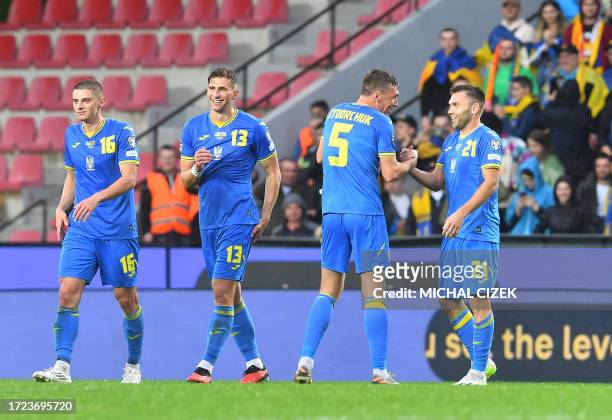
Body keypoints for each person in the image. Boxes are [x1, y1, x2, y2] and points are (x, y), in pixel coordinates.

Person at [293, 69, 417, 385]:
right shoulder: (381, 122)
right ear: (377, 95)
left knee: (327, 291)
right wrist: (410, 162)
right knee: (374, 294)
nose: (395, 103)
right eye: (393, 97)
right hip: (366, 216)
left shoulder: (335, 113)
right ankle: (379, 370)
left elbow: (320, 157)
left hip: (333, 214)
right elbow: (390, 174)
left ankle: (305, 361)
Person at [32, 80, 143, 383]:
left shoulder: (121, 131)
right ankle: (61, 366)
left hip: (117, 230)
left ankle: (133, 366)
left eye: (85, 100)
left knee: (126, 300)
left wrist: (95, 199)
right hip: (82, 229)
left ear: (101, 101)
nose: (79, 106)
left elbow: (130, 179)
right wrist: (60, 207)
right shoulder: (72, 134)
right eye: (75, 101)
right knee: (67, 292)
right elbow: (72, 177)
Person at [180, 68, 281, 384]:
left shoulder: (253, 127)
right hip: (209, 222)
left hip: (239, 218)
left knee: (221, 290)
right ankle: (255, 364)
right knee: (233, 296)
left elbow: (273, 171)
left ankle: (205, 366)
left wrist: (266, 214)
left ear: (235, 93)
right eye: (212, 88)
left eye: (222, 89)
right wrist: (197, 168)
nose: (216, 94)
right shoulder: (193, 128)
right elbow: (185, 181)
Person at [408, 84, 500, 385]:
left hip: (478, 230)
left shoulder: (488, 139)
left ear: (475, 108)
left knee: (479, 299)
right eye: (449, 104)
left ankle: (478, 372)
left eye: (455, 104)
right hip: (454, 231)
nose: (449, 110)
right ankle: (483, 360)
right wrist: (411, 169)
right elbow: (437, 181)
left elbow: (491, 183)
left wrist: (460, 213)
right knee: (448, 299)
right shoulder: (449, 142)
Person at [140, 145, 199, 246]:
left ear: (176, 159)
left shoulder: (186, 178)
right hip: (158, 235)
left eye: (170, 157)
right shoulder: (150, 179)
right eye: (164, 157)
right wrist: (146, 231)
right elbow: (144, 208)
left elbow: (195, 205)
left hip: (184, 234)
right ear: (159, 159)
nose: (167, 161)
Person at [419, 28, 481, 122]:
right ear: (440, 42)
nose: (448, 43)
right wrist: (425, 116)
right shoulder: (433, 62)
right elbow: (426, 89)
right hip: (438, 113)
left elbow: (475, 85)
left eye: (451, 39)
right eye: (444, 39)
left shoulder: (467, 61)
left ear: (457, 40)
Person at [540, 79, 594, 182]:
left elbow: (542, 120)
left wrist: (552, 101)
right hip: (579, 157)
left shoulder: (552, 110)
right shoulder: (584, 111)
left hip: (557, 155)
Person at [544, 44, 609, 116]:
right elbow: (546, 101)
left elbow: (594, 105)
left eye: (567, 56)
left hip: (585, 118)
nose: (563, 60)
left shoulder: (590, 76)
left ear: (576, 58)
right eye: (560, 57)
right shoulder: (554, 77)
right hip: (560, 118)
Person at [255, 158, 318, 229]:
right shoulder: (268, 188)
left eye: (294, 171)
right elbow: (256, 195)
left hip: (296, 232)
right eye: (287, 171)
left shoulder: (306, 190)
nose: (291, 175)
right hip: (271, 231)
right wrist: (273, 178)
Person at [483, 38, 539, 110]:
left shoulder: (524, 72)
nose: (504, 51)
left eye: (508, 48)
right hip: (493, 113)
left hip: (517, 113)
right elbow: (484, 95)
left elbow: (534, 96)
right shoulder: (491, 72)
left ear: (515, 51)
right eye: (501, 48)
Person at [563, 0, 612, 72]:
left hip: (601, 71)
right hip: (575, 71)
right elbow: (566, 51)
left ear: (598, 6)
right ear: (581, 7)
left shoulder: (607, 29)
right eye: (586, 4)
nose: (589, 8)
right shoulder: (571, 29)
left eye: (592, 4)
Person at [505, 167, 555, 235]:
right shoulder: (518, 195)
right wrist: (518, 210)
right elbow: (509, 223)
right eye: (524, 180)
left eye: (531, 179)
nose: (528, 183)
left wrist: (536, 208)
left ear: (537, 177)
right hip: (519, 236)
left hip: (540, 236)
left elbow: (553, 220)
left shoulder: (549, 192)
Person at [529, 1, 566, 91]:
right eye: (545, 12)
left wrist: (553, 44)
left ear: (558, 12)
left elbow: (568, 51)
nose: (549, 15)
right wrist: (541, 48)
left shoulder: (565, 30)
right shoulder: (537, 32)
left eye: (552, 11)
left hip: (559, 69)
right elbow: (533, 58)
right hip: (540, 70)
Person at [576, 154, 611, 232]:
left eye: (605, 166)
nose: (602, 169)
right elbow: (579, 209)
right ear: (595, 168)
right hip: (591, 229)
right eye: (598, 166)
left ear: (610, 167)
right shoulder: (585, 187)